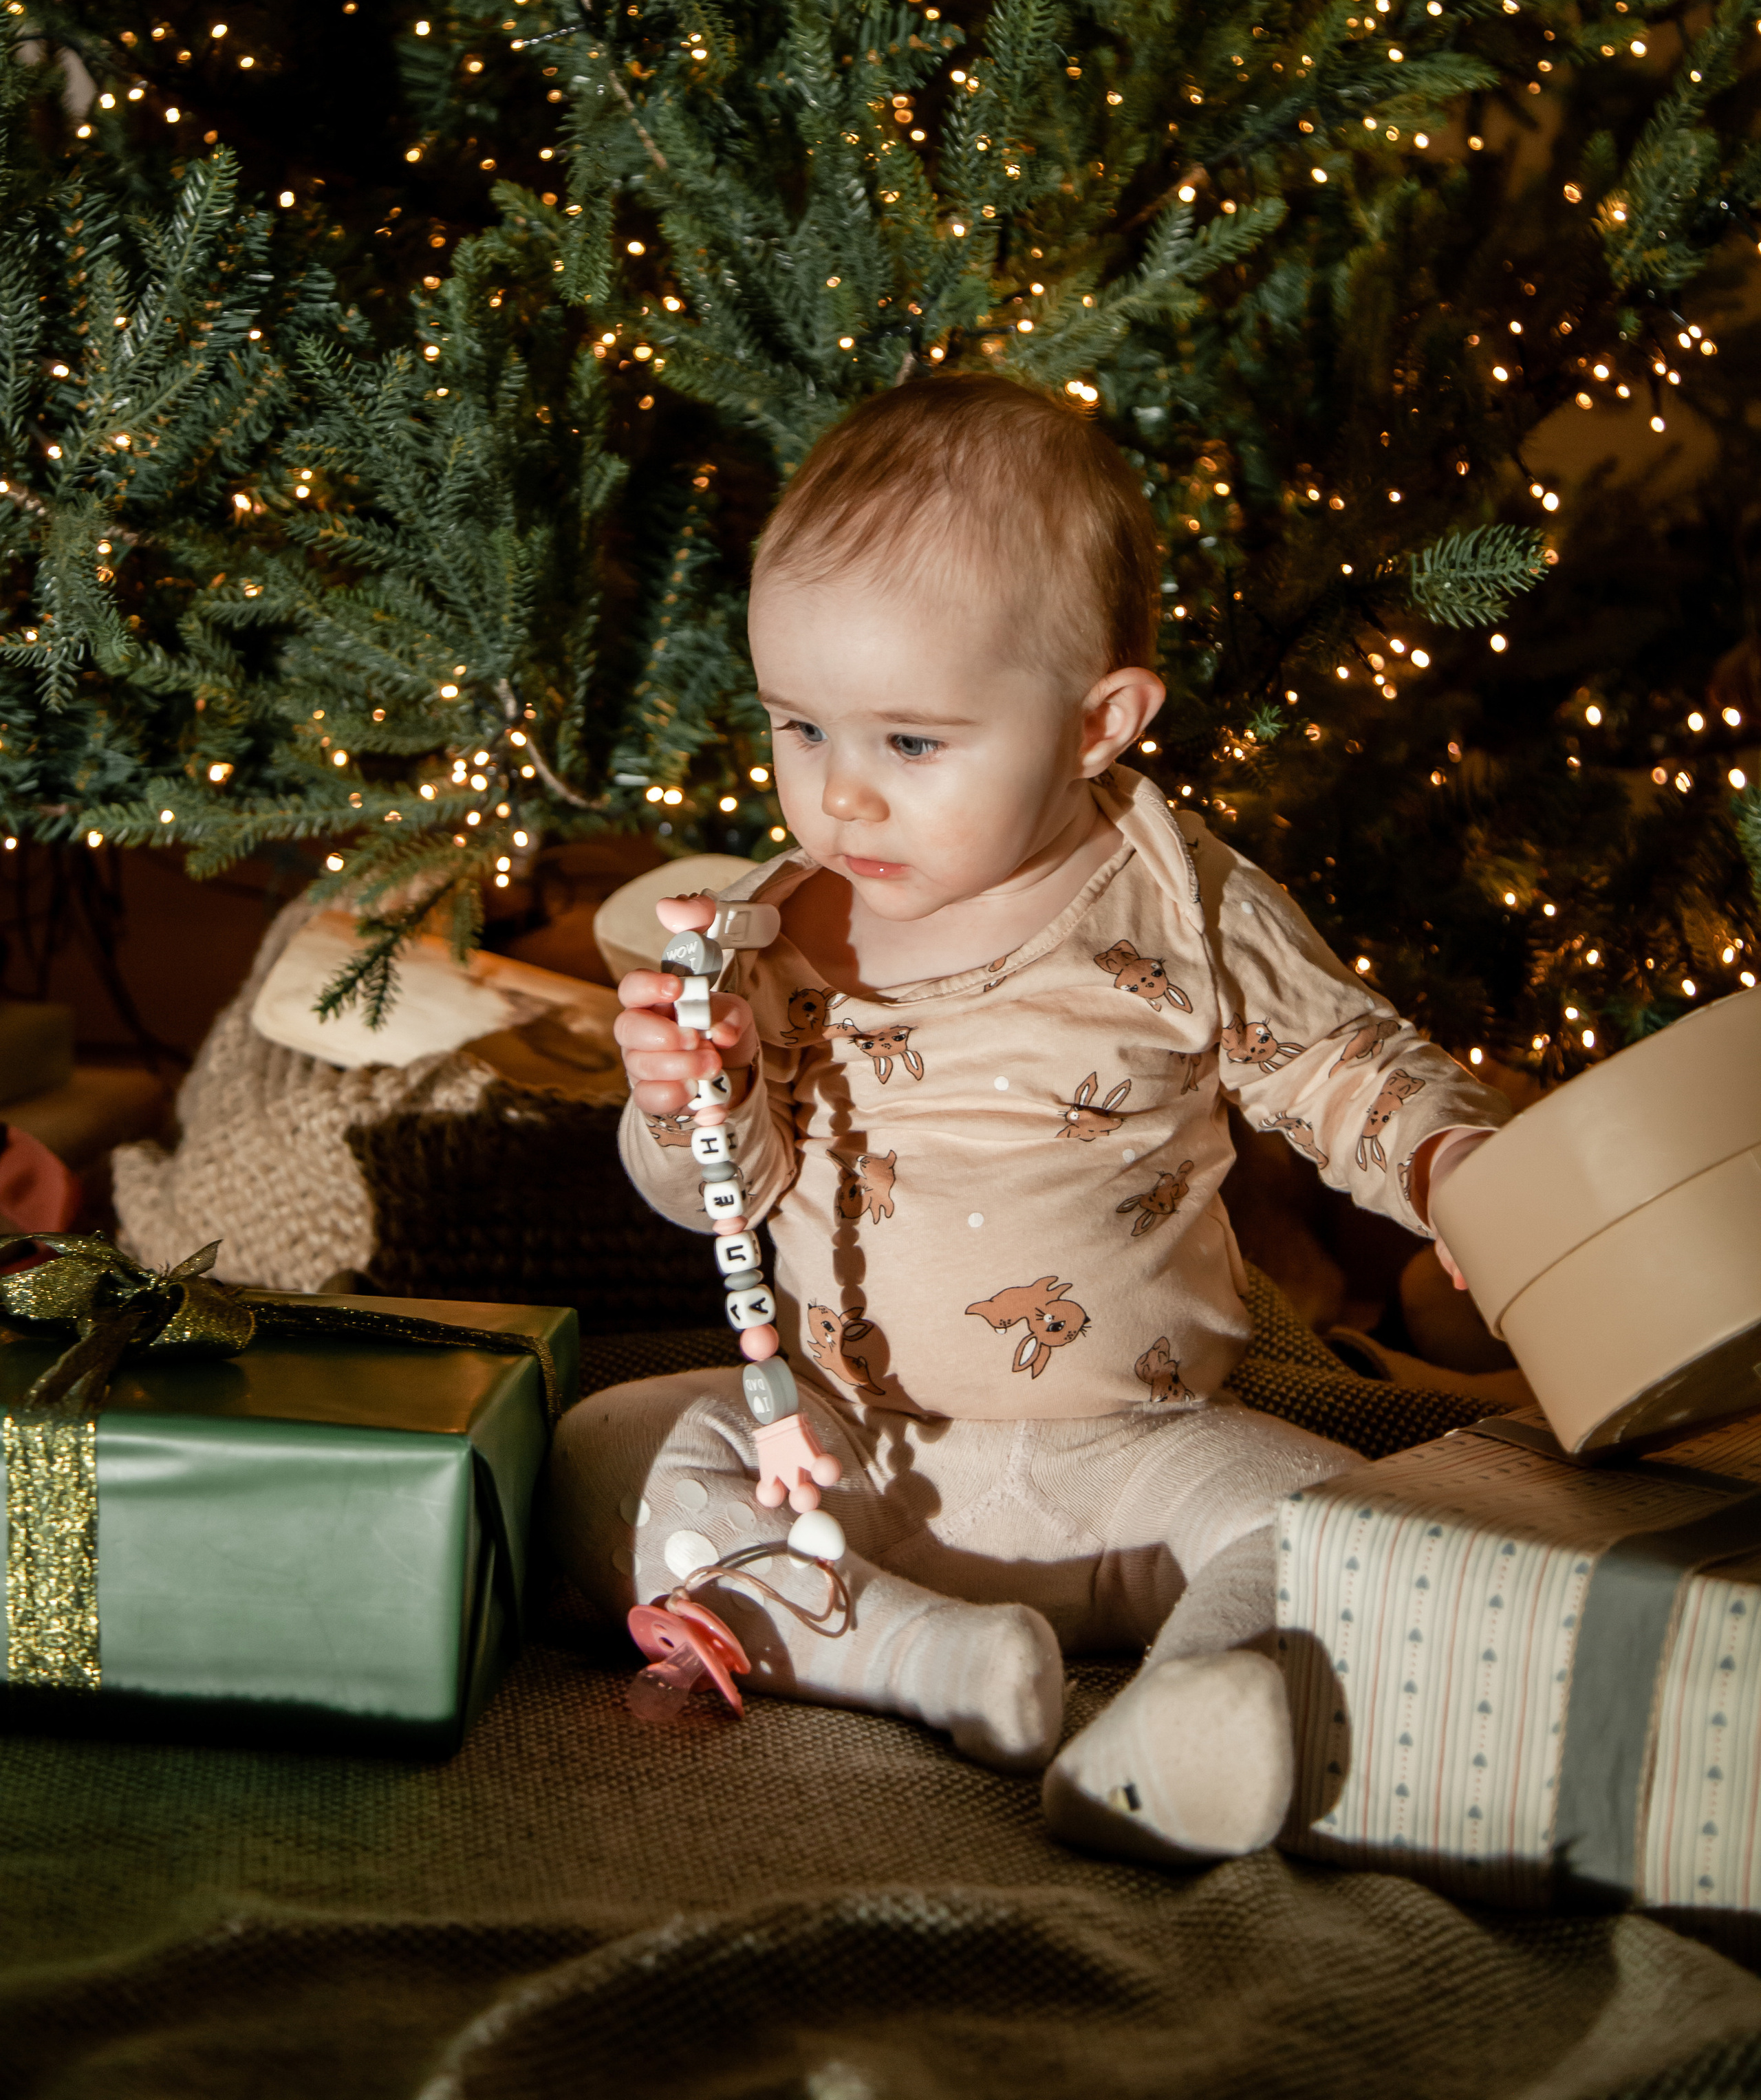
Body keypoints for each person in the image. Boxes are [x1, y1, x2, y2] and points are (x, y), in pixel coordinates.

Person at [549, 374, 1506, 1865]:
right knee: (603, 1458)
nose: (839, 803)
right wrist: (686, 1099)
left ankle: (1192, 1706)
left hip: (1132, 1456)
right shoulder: (769, 933)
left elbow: (1343, 1066)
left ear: (1093, 723)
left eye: (908, 747)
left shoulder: (1179, 903)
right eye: (799, 729)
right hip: (852, 1460)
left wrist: (1459, 1170)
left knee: (1327, 1514)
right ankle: (929, 1657)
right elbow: (711, 1204)